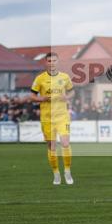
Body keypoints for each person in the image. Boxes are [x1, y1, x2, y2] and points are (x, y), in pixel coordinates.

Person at [30, 52, 75, 184]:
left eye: (54, 60)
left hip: (62, 116)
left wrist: (66, 97)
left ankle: (67, 171)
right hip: (47, 117)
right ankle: (56, 173)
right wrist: (41, 98)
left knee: (65, 143)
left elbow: (72, 91)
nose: (52, 63)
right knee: (52, 147)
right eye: (49, 61)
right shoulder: (40, 79)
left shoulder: (65, 77)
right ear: (46, 62)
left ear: (58, 62)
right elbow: (32, 96)